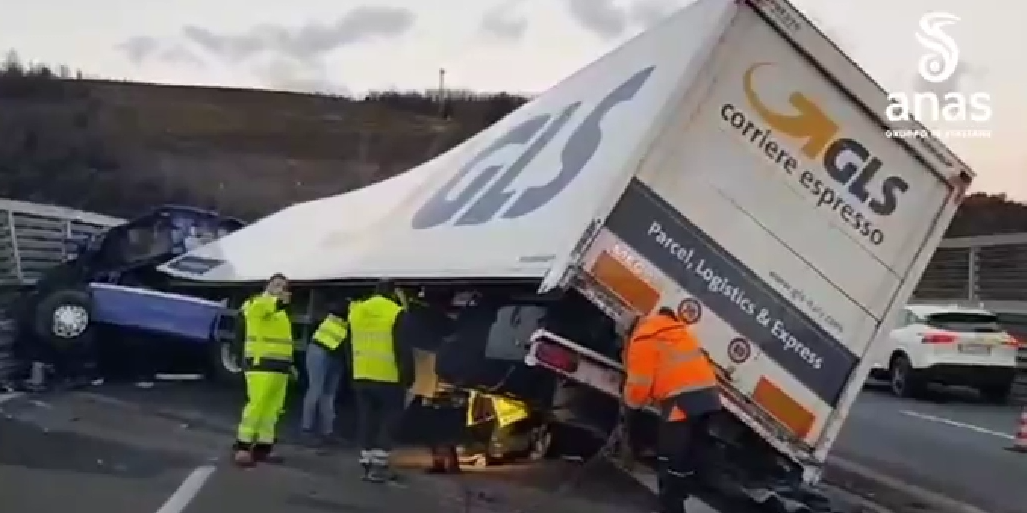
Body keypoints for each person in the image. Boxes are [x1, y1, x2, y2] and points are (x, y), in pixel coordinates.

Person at [622, 306, 721, 513]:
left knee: (669, 458)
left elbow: (639, 386)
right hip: (708, 397)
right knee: (688, 455)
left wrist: (630, 411)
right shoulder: (676, 330)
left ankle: (671, 507)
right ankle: (680, 494)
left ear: (630, 331)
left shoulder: (643, 339)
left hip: (682, 402)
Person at [348, 279, 414, 482]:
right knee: (389, 419)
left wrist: (353, 371)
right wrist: (408, 376)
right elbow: (403, 348)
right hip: (388, 376)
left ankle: (366, 461)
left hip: (361, 373)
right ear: (394, 292)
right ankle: (379, 465)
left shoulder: (357, 311)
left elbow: (348, 345)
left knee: (366, 418)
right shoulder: (396, 312)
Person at [233, 273, 295, 467]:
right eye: (276, 285)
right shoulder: (256, 303)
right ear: (267, 286)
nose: (280, 290)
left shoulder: (281, 313)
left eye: (283, 287)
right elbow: (266, 308)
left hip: (279, 367)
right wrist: (278, 300)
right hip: (261, 365)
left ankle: (263, 447)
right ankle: (243, 446)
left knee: (273, 410)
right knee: (257, 406)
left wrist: (290, 365)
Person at [301, 302, 349, 447]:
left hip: (335, 354)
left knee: (328, 394)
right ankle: (307, 430)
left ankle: (327, 432)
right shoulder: (352, 309)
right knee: (316, 390)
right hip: (320, 350)